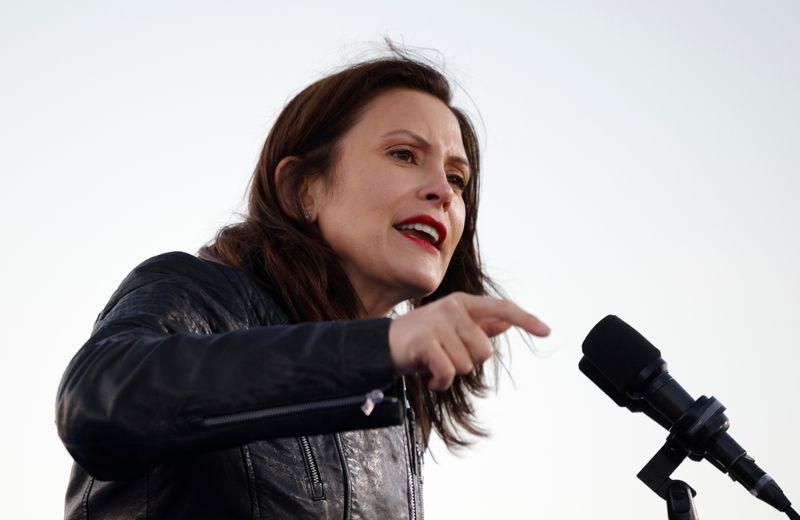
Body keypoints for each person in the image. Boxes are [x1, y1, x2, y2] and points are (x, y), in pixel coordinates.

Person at [56, 53, 550, 519]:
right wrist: (381, 345)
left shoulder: (391, 409)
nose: (442, 191)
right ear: (301, 188)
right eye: (403, 154)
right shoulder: (195, 294)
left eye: (458, 179)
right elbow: (95, 406)